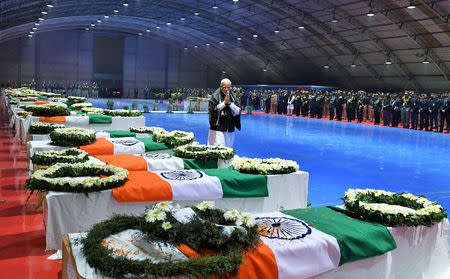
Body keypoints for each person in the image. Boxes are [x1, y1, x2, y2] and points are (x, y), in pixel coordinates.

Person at [208, 78, 241, 148]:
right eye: (224, 87)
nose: (226, 89)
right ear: (220, 86)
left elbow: (238, 111)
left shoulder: (233, 96)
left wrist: (230, 103)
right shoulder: (215, 96)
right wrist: (224, 103)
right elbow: (212, 110)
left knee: (229, 150)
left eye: (228, 87)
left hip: (230, 128)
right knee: (219, 149)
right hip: (218, 129)